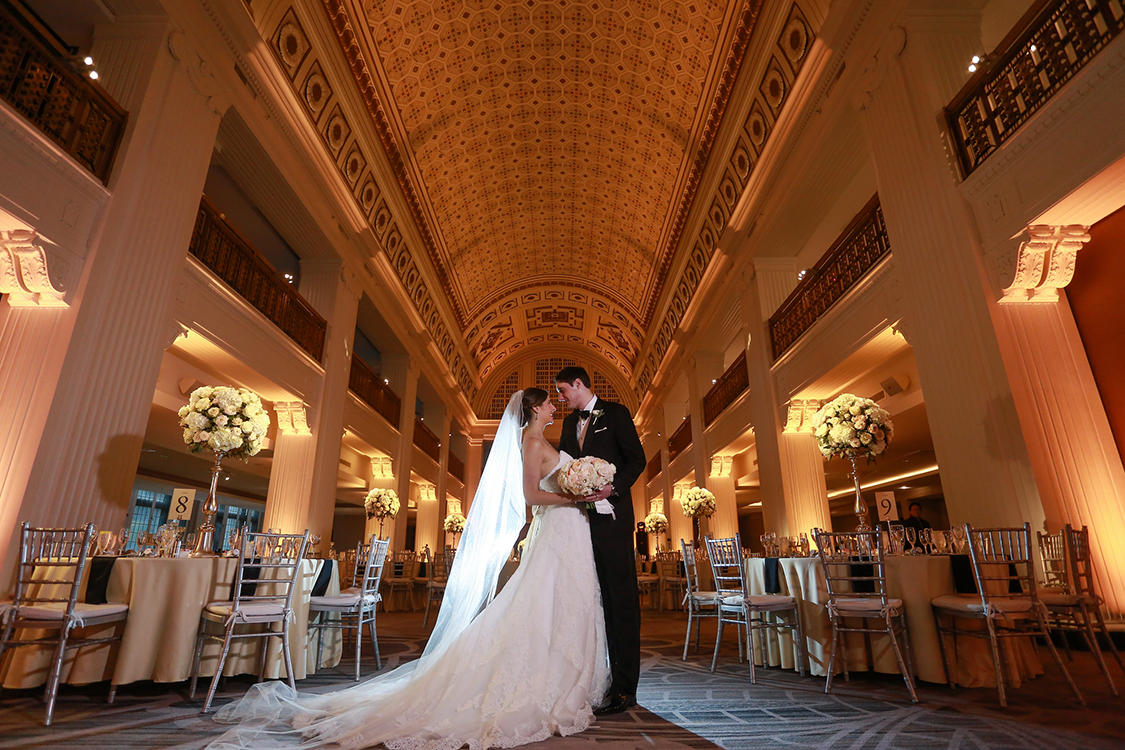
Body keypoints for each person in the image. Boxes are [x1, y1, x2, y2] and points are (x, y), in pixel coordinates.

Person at [206, 389, 609, 750]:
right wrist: (576, 499)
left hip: (567, 532)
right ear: (536, 408)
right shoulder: (532, 442)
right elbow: (530, 495)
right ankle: (540, 678)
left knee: (562, 599)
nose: (555, 406)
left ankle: (564, 673)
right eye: (550, 402)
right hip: (559, 525)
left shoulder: (542, 440)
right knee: (541, 601)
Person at [555, 366, 646, 716]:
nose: (562, 399)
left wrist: (614, 487)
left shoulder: (616, 413)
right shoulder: (567, 424)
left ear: (580, 384)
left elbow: (636, 459)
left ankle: (626, 687)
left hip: (613, 521)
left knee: (620, 602)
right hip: (579, 525)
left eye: (564, 390)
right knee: (590, 602)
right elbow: (566, 465)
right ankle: (597, 679)